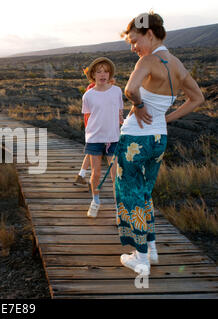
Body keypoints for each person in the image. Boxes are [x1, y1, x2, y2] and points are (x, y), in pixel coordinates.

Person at [116, 11, 204, 274]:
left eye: (134, 40)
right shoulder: (176, 64)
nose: (133, 47)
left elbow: (130, 89)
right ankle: (151, 249)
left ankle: (140, 258)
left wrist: (139, 104)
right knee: (144, 193)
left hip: (135, 137)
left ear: (150, 34)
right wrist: (167, 119)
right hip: (157, 139)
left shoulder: (148, 60)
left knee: (130, 195)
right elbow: (197, 98)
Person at [81, 57, 124, 217]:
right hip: (94, 140)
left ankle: (119, 206)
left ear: (110, 73)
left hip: (113, 138)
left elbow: (120, 111)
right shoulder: (88, 96)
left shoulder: (117, 91)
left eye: (106, 71)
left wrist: (122, 121)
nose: (103, 74)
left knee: (115, 175)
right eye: (99, 71)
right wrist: (90, 134)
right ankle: (96, 199)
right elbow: (88, 117)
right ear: (93, 74)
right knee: (96, 173)